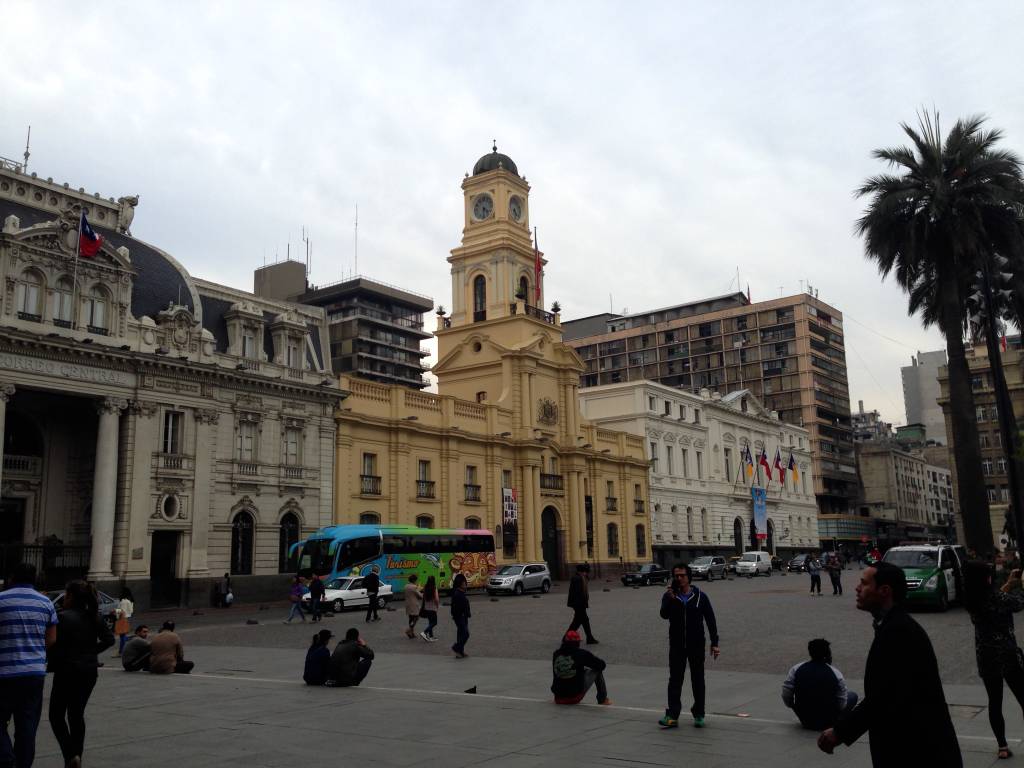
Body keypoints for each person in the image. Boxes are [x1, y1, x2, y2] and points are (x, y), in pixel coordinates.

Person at [817, 562, 961, 766]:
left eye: (864, 583)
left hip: (917, 751)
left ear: (884, 591)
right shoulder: (893, 625)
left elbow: (883, 696)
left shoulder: (899, 632)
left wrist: (840, 732)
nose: (857, 588)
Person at [48, 580, 115, 768]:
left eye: (66, 595)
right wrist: (91, 652)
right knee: (76, 715)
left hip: (67, 670)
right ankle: (77, 755)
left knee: (56, 715)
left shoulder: (62, 617)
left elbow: (54, 644)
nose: (64, 600)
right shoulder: (93, 616)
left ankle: (70, 755)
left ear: (71, 597)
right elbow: (109, 640)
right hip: (88, 671)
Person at [964, 560, 1024, 760]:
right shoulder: (998, 598)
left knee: (995, 702)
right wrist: (1022, 583)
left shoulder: (972, 599)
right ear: (987, 578)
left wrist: (1008, 582)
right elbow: (1018, 603)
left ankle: (1002, 746)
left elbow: (997, 596)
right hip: (1007, 655)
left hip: (986, 657)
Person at [0, 563, 58, 768]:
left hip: (4, 673)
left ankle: (6, 759)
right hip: (34, 674)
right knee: (27, 726)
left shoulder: (1, 600)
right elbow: (51, 639)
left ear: (12, 577)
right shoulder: (46, 603)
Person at [658, 563, 719, 729]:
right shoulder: (669, 596)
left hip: (696, 645)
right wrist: (670, 599)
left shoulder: (700, 596)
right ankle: (672, 715)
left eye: (682, 575)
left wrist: (715, 643)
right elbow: (663, 615)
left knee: (698, 679)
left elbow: (710, 620)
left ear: (689, 577)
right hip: (677, 645)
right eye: (676, 576)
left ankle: (699, 713)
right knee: (675, 680)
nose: (679, 578)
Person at [781, 638, 857, 730]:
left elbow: (786, 693)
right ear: (828, 654)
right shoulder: (836, 673)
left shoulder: (796, 669)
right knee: (852, 695)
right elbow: (842, 705)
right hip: (828, 721)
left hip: (805, 718)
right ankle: (840, 721)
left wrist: (793, 705)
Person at [551, 629, 612, 705]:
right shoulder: (581, 654)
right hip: (574, 697)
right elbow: (602, 665)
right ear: (577, 642)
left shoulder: (556, 654)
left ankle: (563, 694)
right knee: (597, 670)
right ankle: (602, 699)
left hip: (558, 698)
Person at [567, 563, 599, 645]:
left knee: (580, 621)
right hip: (579, 605)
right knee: (579, 621)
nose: (587, 573)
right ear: (582, 572)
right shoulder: (578, 579)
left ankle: (589, 638)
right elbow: (577, 594)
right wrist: (579, 606)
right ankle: (567, 638)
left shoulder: (581, 578)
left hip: (579, 604)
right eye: (586, 572)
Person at [451, 573, 471, 659]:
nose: (465, 585)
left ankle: (460, 652)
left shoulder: (461, 592)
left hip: (463, 616)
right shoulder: (457, 594)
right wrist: (459, 615)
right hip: (460, 617)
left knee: (460, 634)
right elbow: (455, 607)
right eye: (464, 583)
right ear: (460, 584)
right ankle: (457, 648)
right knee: (465, 633)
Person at [113, 587, 134, 656]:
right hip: (127, 618)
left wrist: (114, 611)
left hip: (122, 619)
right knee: (123, 635)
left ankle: (121, 651)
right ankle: (121, 651)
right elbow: (131, 611)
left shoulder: (123, 601)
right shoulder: (129, 601)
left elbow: (121, 611)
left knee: (122, 636)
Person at [419, 575, 439, 642]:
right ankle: (424, 632)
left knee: (430, 622)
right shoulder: (434, 587)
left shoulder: (425, 587)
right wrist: (437, 606)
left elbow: (423, 597)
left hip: (427, 608)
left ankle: (431, 637)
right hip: (433, 608)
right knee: (434, 622)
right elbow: (436, 599)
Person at [404, 574, 422, 639]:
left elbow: (412, 594)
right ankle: (409, 630)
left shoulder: (406, 586)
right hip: (414, 605)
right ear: (414, 580)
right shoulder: (414, 587)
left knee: (411, 618)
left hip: (408, 604)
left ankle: (412, 633)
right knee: (416, 617)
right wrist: (419, 589)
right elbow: (420, 596)